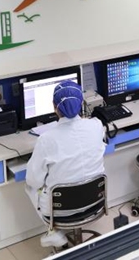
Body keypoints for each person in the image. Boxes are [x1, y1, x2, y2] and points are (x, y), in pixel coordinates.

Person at [25, 80, 105, 248]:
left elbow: (33, 180)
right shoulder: (96, 126)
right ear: (82, 103)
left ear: (55, 107)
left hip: (61, 210)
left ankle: (54, 231)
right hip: (95, 201)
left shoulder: (46, 139)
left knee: (30, 186)